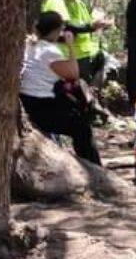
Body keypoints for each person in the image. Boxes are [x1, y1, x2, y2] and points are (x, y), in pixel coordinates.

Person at [19, 11, 101, 164]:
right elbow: (74, 74)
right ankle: (93, 166)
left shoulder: (30, 44)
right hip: (41, 106)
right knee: (82, 128)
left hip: (30, 99)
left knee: (76, 105)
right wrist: (70, 46)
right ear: (56, 31)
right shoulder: (50, 51)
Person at [42, 0, 110, 84]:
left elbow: (87, 24)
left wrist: (101, 23)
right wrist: (90, 27)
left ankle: (92, 93)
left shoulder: (79, 4)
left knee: (101, 59)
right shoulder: (56, 0)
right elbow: (66, 25)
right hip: (64, 55)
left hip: (83, 54)